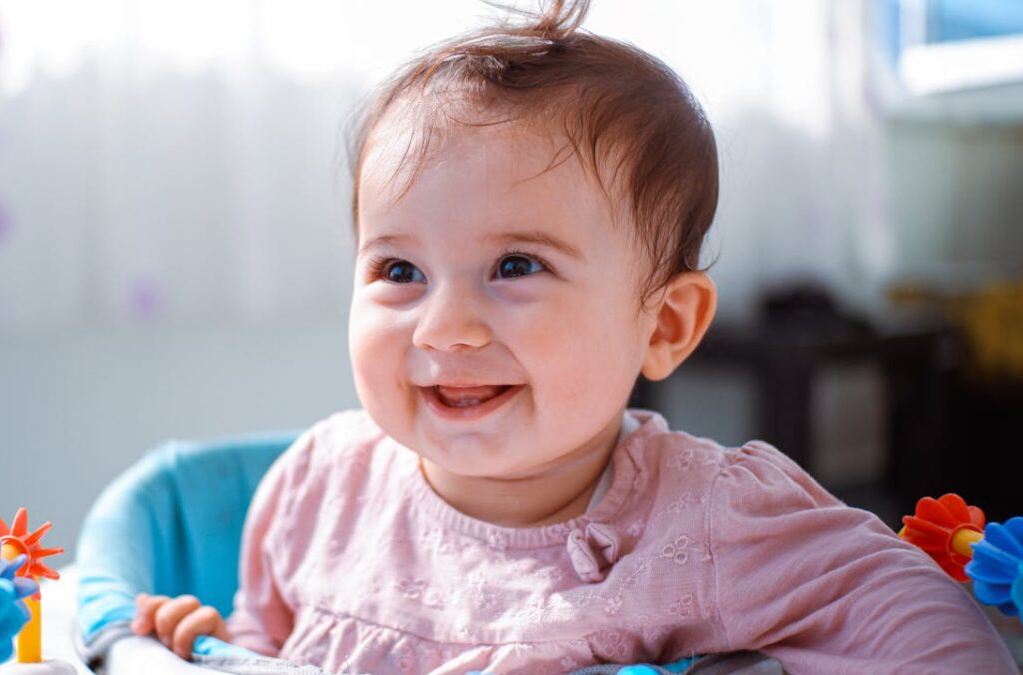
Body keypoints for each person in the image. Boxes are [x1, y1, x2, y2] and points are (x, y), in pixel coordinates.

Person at [128, 1, 1017, 672]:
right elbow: (265, 633)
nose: (445, 325)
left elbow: (913, 611)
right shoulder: (317, 488)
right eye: (399, 271)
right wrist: (211, 643)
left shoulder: (706, 518)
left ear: (664, 324)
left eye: (516, 265)